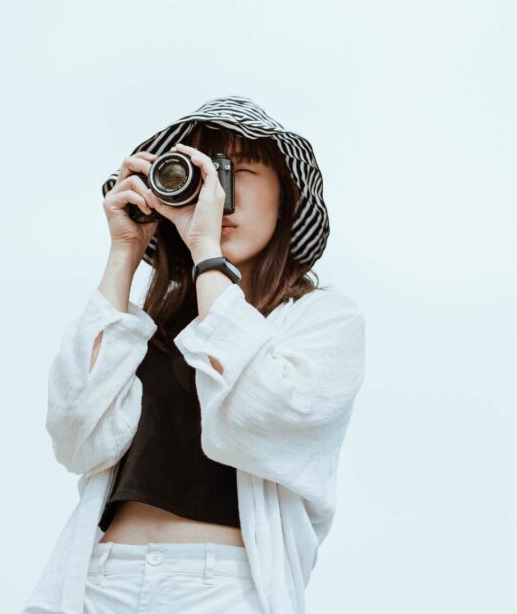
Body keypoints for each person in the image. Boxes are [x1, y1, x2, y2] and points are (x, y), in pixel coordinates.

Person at [20, 95, 366, 614]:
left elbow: (258, 419)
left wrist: (207, 253)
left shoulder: (323, 319)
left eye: (237, 173)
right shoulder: (146, 326)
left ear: (286, 197)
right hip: (100, 580)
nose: (219, 196)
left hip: (223, 587)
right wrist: (124, 252)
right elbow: (74, 439)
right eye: (202, 177)